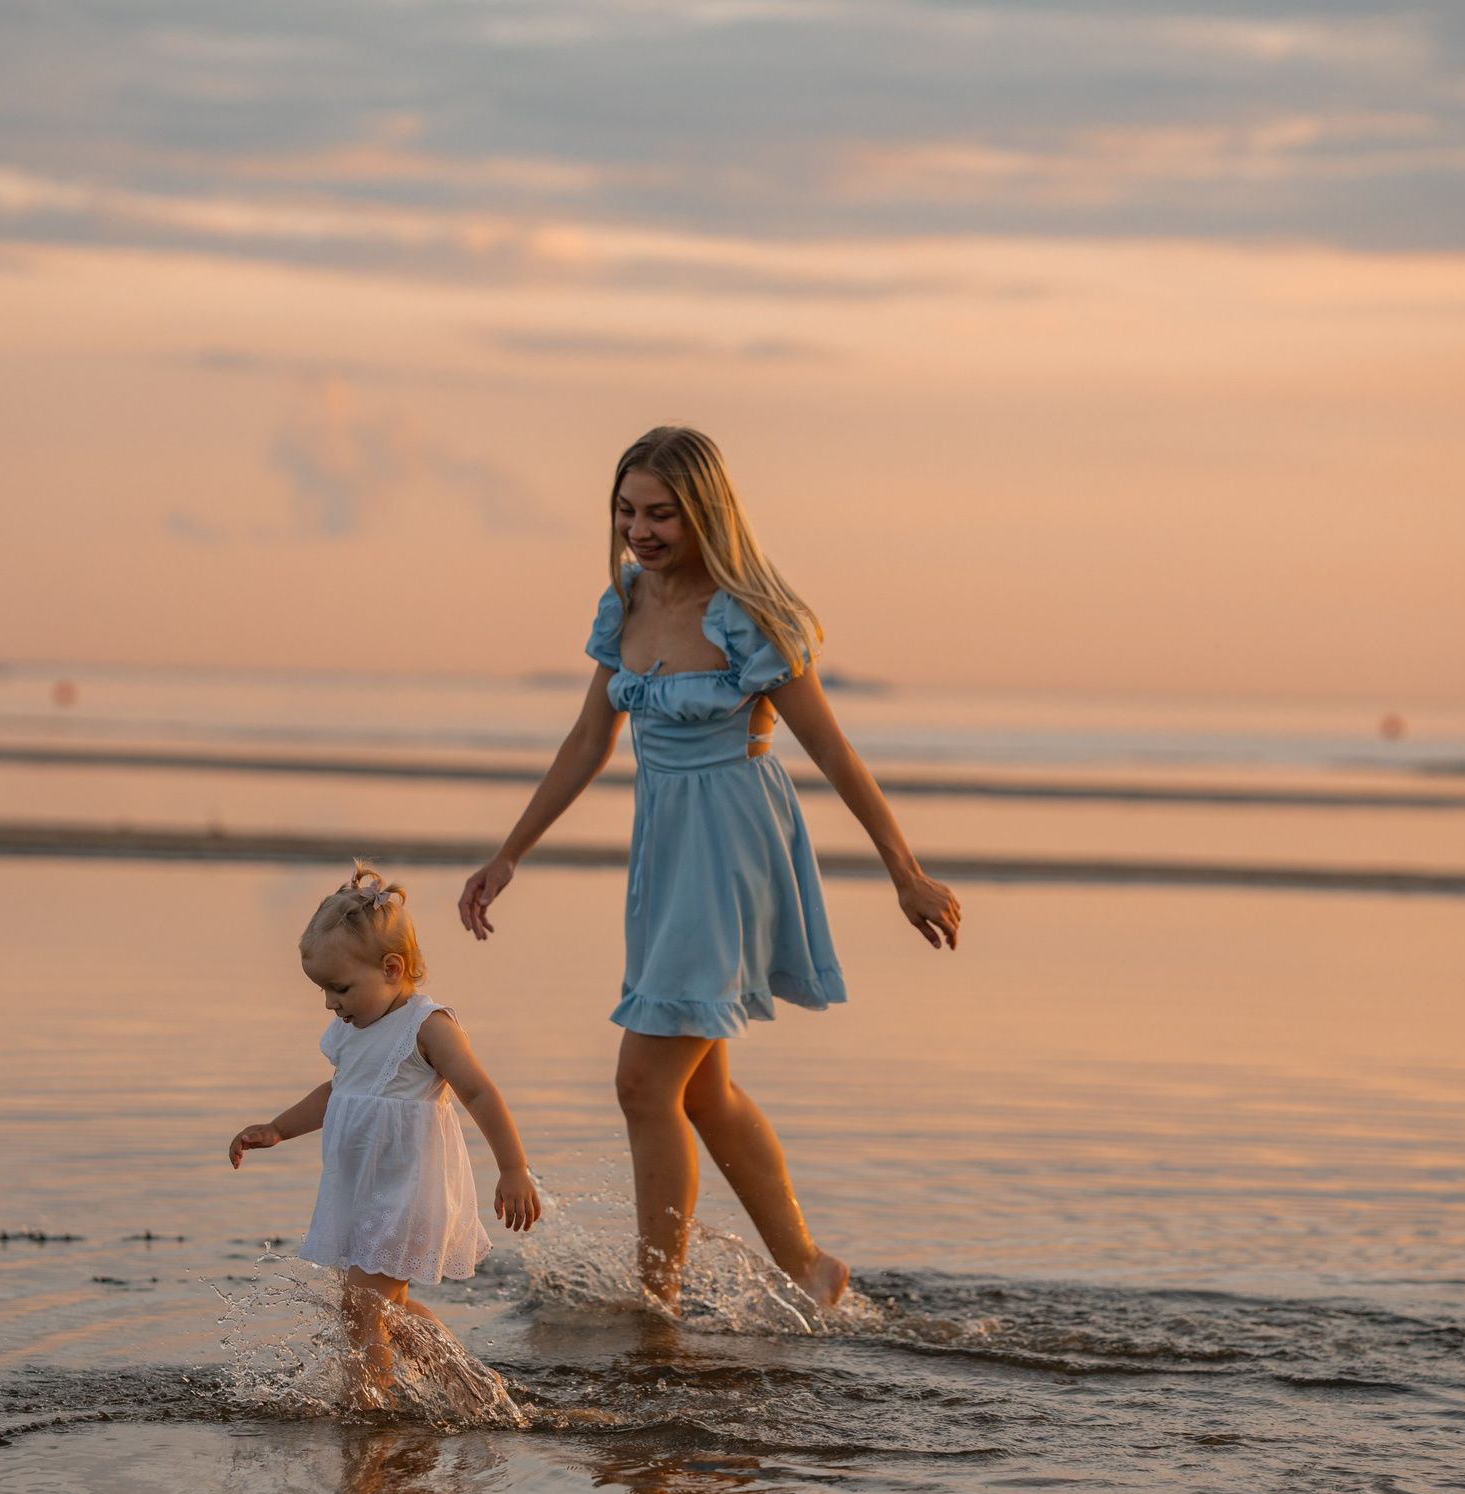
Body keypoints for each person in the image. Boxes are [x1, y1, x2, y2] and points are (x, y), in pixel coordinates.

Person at [458, 425, 959, 1312]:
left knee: (643, 1079)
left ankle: (658, 1298)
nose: (640, 530)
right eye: (626, 511)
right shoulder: (625, 599)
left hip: (732, 853)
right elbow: (586, 740)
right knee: (704, 1092)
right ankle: (810, 1267)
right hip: (665, 856)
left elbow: (834, 750)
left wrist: (906, 873)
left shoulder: (745, 614)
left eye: (661, 513)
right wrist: (508, 854)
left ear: (705, 514)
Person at [230, 865, 544, 1406]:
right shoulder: (352, 1029)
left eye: (340, 987)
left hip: (408, 1196)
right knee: (382, 1312)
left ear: (392, 969)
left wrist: (513, 1169)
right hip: (365, 1193)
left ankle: (371, 1406)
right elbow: (337, 1094)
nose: (330, 1002)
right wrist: (278, 1128)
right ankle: (469, 1387)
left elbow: (481, 1094)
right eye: (323, 989)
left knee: (362, 1307)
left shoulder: (428, 1027)